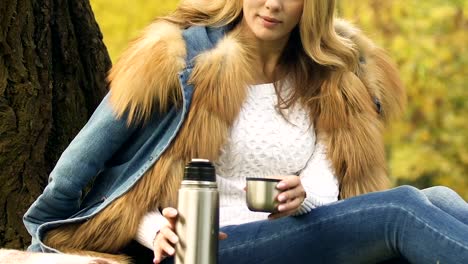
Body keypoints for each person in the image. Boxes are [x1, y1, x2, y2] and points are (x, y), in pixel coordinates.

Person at [23, 0, 468, 263]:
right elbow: (88, 168)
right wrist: (149, 227)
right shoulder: (178, 60)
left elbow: (327, 170)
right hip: (209, 245)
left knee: (442, 199)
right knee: (403, 209)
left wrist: (302, 196)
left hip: (296, 230)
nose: (272, 4)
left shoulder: (328, 74)